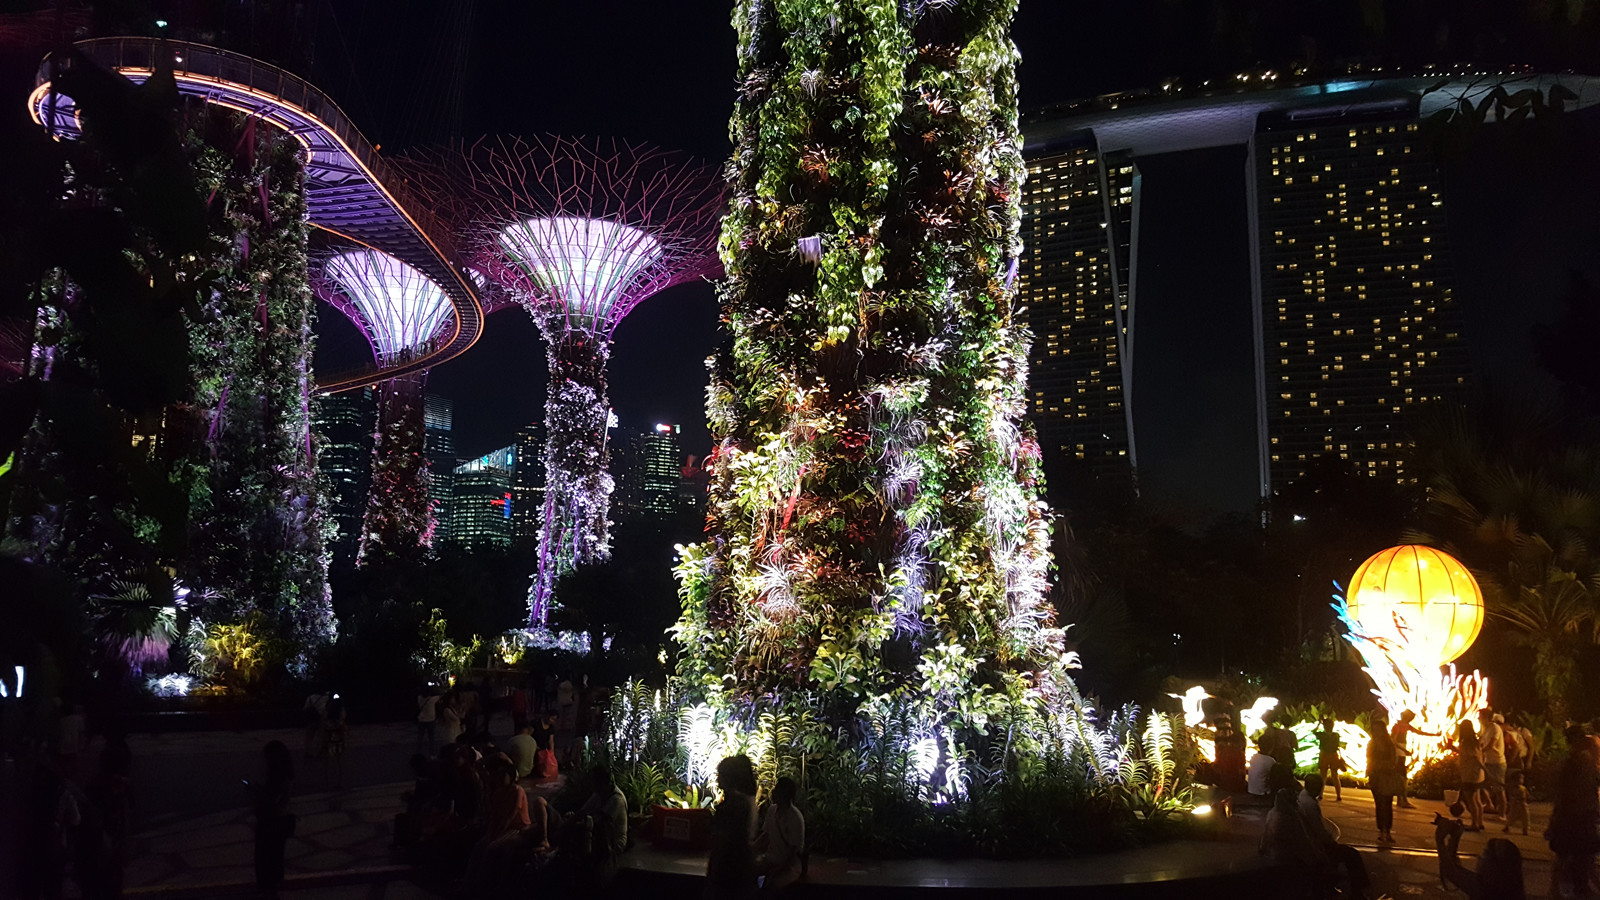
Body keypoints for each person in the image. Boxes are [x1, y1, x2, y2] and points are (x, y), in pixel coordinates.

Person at [1548, 725, 1600, 899]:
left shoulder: (1580, 762)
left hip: (1578, 815)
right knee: (1575, 855)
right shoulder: (1577, 763)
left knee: (1575, 856)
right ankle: (1570, 889)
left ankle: (1569, 888)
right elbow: (1568, 792)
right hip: (1576, 816)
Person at [1299, 773, 1371, 897]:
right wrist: (1331, 841)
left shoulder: (1303, 797)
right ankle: (1357, 892)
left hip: (1310, 844)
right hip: (1316, 847)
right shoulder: (1310, 804)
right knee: (1352, 854)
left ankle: (1332, 886)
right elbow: (1319, 831)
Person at [708, 754, 759, 900]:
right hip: (743, 869)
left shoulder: (731, 805)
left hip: (728, 871)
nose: (717, 779)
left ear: (728, 777)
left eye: (720, 775)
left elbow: (722, 841)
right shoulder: (748, 802)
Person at [250, 740, 295, 899]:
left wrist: (255, 794)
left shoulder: (277, 780)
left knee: (266, 859)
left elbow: (269, 801)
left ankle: (269, 890)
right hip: (279, 822)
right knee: (275, 858)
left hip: (271, 823)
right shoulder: (285, 777)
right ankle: (272, 888)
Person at [756, 776, 805, 893]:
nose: (773, 791)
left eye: (777, 789)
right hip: (771, 859)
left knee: (773, 886)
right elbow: (765, 835)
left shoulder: (795, 817)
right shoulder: (772, 810)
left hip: (789, 866)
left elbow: (794, 851)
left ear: (784, 793)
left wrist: (778, 869)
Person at [1367, 716, 1404, 845]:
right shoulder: (1373, 743)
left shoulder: (1388, 744)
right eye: (1374, 730)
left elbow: (1393, 761)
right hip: (1376, 777)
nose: (1376, 732)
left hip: (1386, 777)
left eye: (1378, 730)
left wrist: (1381, 765)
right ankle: (1382, 831)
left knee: (1386, 805)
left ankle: (1386, 831)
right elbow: (1369, 760)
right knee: (1380, 805)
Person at [1391, 710, 1437, 809]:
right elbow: (1393, 741)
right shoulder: (1398, 726)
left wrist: (1434, 735)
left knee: (1401, 777)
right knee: (1402, 777)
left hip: (1400, 752)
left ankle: (1401, 800)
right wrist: (1404, 750)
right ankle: (1403, 800)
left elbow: (1419, 732)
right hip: (1398, 753)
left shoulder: (1405, 726)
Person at [1450, 719, 1486, 832]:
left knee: (1471, 801)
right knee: (1477, 800)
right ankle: (1480, 822)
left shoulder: (1467, 743)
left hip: (1470, 775)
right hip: (1477, 775)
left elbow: (1472, 756)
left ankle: (1474, 824)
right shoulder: (1475, 742)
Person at [1478, 708, 1506, 817]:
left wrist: (1479, 752)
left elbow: (1491, 745)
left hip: (1497, 762)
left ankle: (1502, 815)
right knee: (1481, 784)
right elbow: (1481, 742)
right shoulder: (1485, 728)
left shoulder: (1495, 728)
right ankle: (1489, 804)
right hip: (1488, 761)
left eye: (1480, 716)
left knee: (1499, 788)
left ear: (1486, 718)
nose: (1478, 718)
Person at [1213, 714, 1248, 793]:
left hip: (1224, 784)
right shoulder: (1239, 754)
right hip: (1236, 786)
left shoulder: (1223, 752)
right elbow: (1241, 771)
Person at [321, 695, 348, 789]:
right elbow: (343, 727)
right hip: (339, 740)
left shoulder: (327, 713)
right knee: (339, 762)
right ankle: (339, 782)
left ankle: (327, 782)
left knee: (328, 763)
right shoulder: (341, 713)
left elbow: (324, 728)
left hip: (329, 740)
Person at [1316, 717, 1344, 802]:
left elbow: (1314, 732)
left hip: (1324, 755)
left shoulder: (1322, 735)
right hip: (1333, 755)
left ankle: (1320, 795)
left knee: (1323, 776)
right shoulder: (1336, 735)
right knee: (1335, 775)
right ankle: (1338, 795)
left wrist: (1318, 724)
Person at [303, 688, 329, 758]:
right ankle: (318, 752)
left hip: (311, 719)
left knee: (309, 737)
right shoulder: (325, 698)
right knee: (320, 736)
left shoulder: (310, 698)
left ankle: (307, 751)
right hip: (321, 718)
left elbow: (305, 708)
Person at [1504, 770, 1530, 836]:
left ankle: (1525, 829)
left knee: (1525, 817)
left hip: (1523, 805)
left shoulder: (1523, 788)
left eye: (1522, 779)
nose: (1521, 780)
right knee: (1512, 816)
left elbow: (1527, 795)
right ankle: (1507, 826)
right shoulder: (1513, 789)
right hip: (1515, 805)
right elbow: (1511, 795)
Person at [417, 686, 440, 754]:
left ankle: (419, 751)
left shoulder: (419, 698)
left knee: (420, 737)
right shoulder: (433, 699)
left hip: (421, 719)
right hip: (431, 719)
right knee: (431, 738)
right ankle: (431, 753)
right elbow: (440, 696)